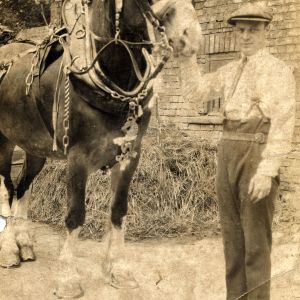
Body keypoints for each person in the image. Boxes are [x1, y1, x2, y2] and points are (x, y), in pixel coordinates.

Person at [179, 2, 296, 299]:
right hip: (227, 151)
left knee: (256, 244)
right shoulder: (229, 71)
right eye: (241, 30)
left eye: (253, 30)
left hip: (256, 153)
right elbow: (196, 94)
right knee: (232, 242)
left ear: (265, 31)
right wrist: (188, 58)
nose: (245, 36)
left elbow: (283, 123)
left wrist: (267, 171)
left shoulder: (278, 71)